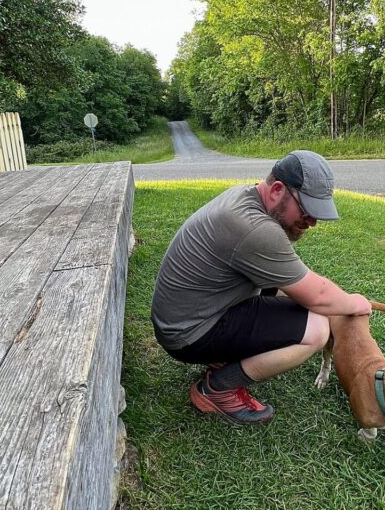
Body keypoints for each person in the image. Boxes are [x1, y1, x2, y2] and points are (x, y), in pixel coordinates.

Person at [151, 150, 372, 425]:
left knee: (296, 297)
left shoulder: (245, 197)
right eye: (306, 210)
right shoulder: (256, 230)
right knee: (316, 329)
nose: (312, 222)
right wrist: (357, 303)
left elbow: (296, 285)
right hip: (188, 334)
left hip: (190, 315)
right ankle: (218, 388)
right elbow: (318, 296)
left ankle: (222, 357)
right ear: (278, 189)